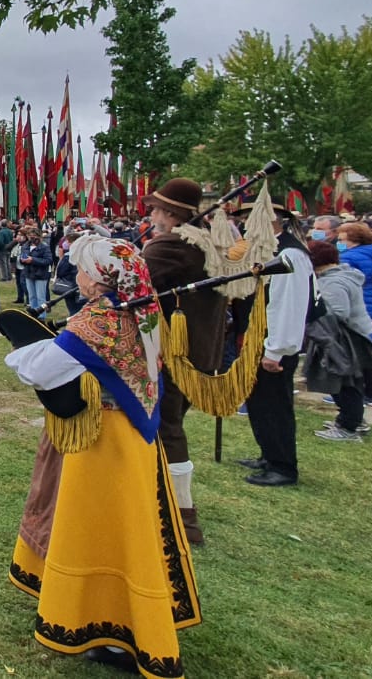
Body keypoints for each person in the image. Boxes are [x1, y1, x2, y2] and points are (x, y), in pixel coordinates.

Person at [3, 235, 200, 677]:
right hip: (134, 440)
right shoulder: (141, 310)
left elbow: (42, 367)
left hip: (104, 445)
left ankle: (115, 623)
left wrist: (16, 355)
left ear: (100, 276)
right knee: (132, 529)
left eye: (82, 268)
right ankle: (126, 616)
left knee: (104, 533)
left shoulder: (103, 319)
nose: (77, 275)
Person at [139, 179, 227, 547]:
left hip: (174, 352)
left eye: (157, 209)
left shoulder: (173, 246)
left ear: (170, 214)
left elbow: (132, 282)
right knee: (168, 424)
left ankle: (182, 514)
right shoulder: (208, 242)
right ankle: (162, 500)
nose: (152, 214)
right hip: (201, 350)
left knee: (167, 427)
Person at [239, 205, 315, 487]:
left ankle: (283, 466)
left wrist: (276, 349)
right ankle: (268, 454)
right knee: (259, 402)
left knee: (274, 405)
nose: (246, 225)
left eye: (251, 219)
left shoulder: (289, 254)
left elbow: (287, 307)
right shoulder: (267, 250)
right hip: (259, 338)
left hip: (274, 344)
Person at [304, 240, 372, 438]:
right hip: (356, 333)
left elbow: (338, 312)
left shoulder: (333, 282)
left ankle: (349, 427)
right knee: (348, 382)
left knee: (345, 383)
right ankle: (352, 420)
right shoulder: (342, 275)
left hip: (346, 337)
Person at [335, 221, 372, 406]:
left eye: (342, 238)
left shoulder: (349, 257)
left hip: (359, 307)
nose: (339, 242)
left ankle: (354, 391)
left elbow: (344, 283)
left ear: (354, 239)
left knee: (353, 350)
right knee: (370, 349)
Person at [17, 229, 52, 311]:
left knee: (41, 297)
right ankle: (34, 312)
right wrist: (22, 260)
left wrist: (33, 260)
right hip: (28, 273)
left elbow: (48, 260)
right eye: (29, 235)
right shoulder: (25, 246)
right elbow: (22, 257)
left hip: (41, 274)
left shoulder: (44, 246)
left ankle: (41, 315)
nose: (31, 237)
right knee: (32, 296)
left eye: (34, 235)